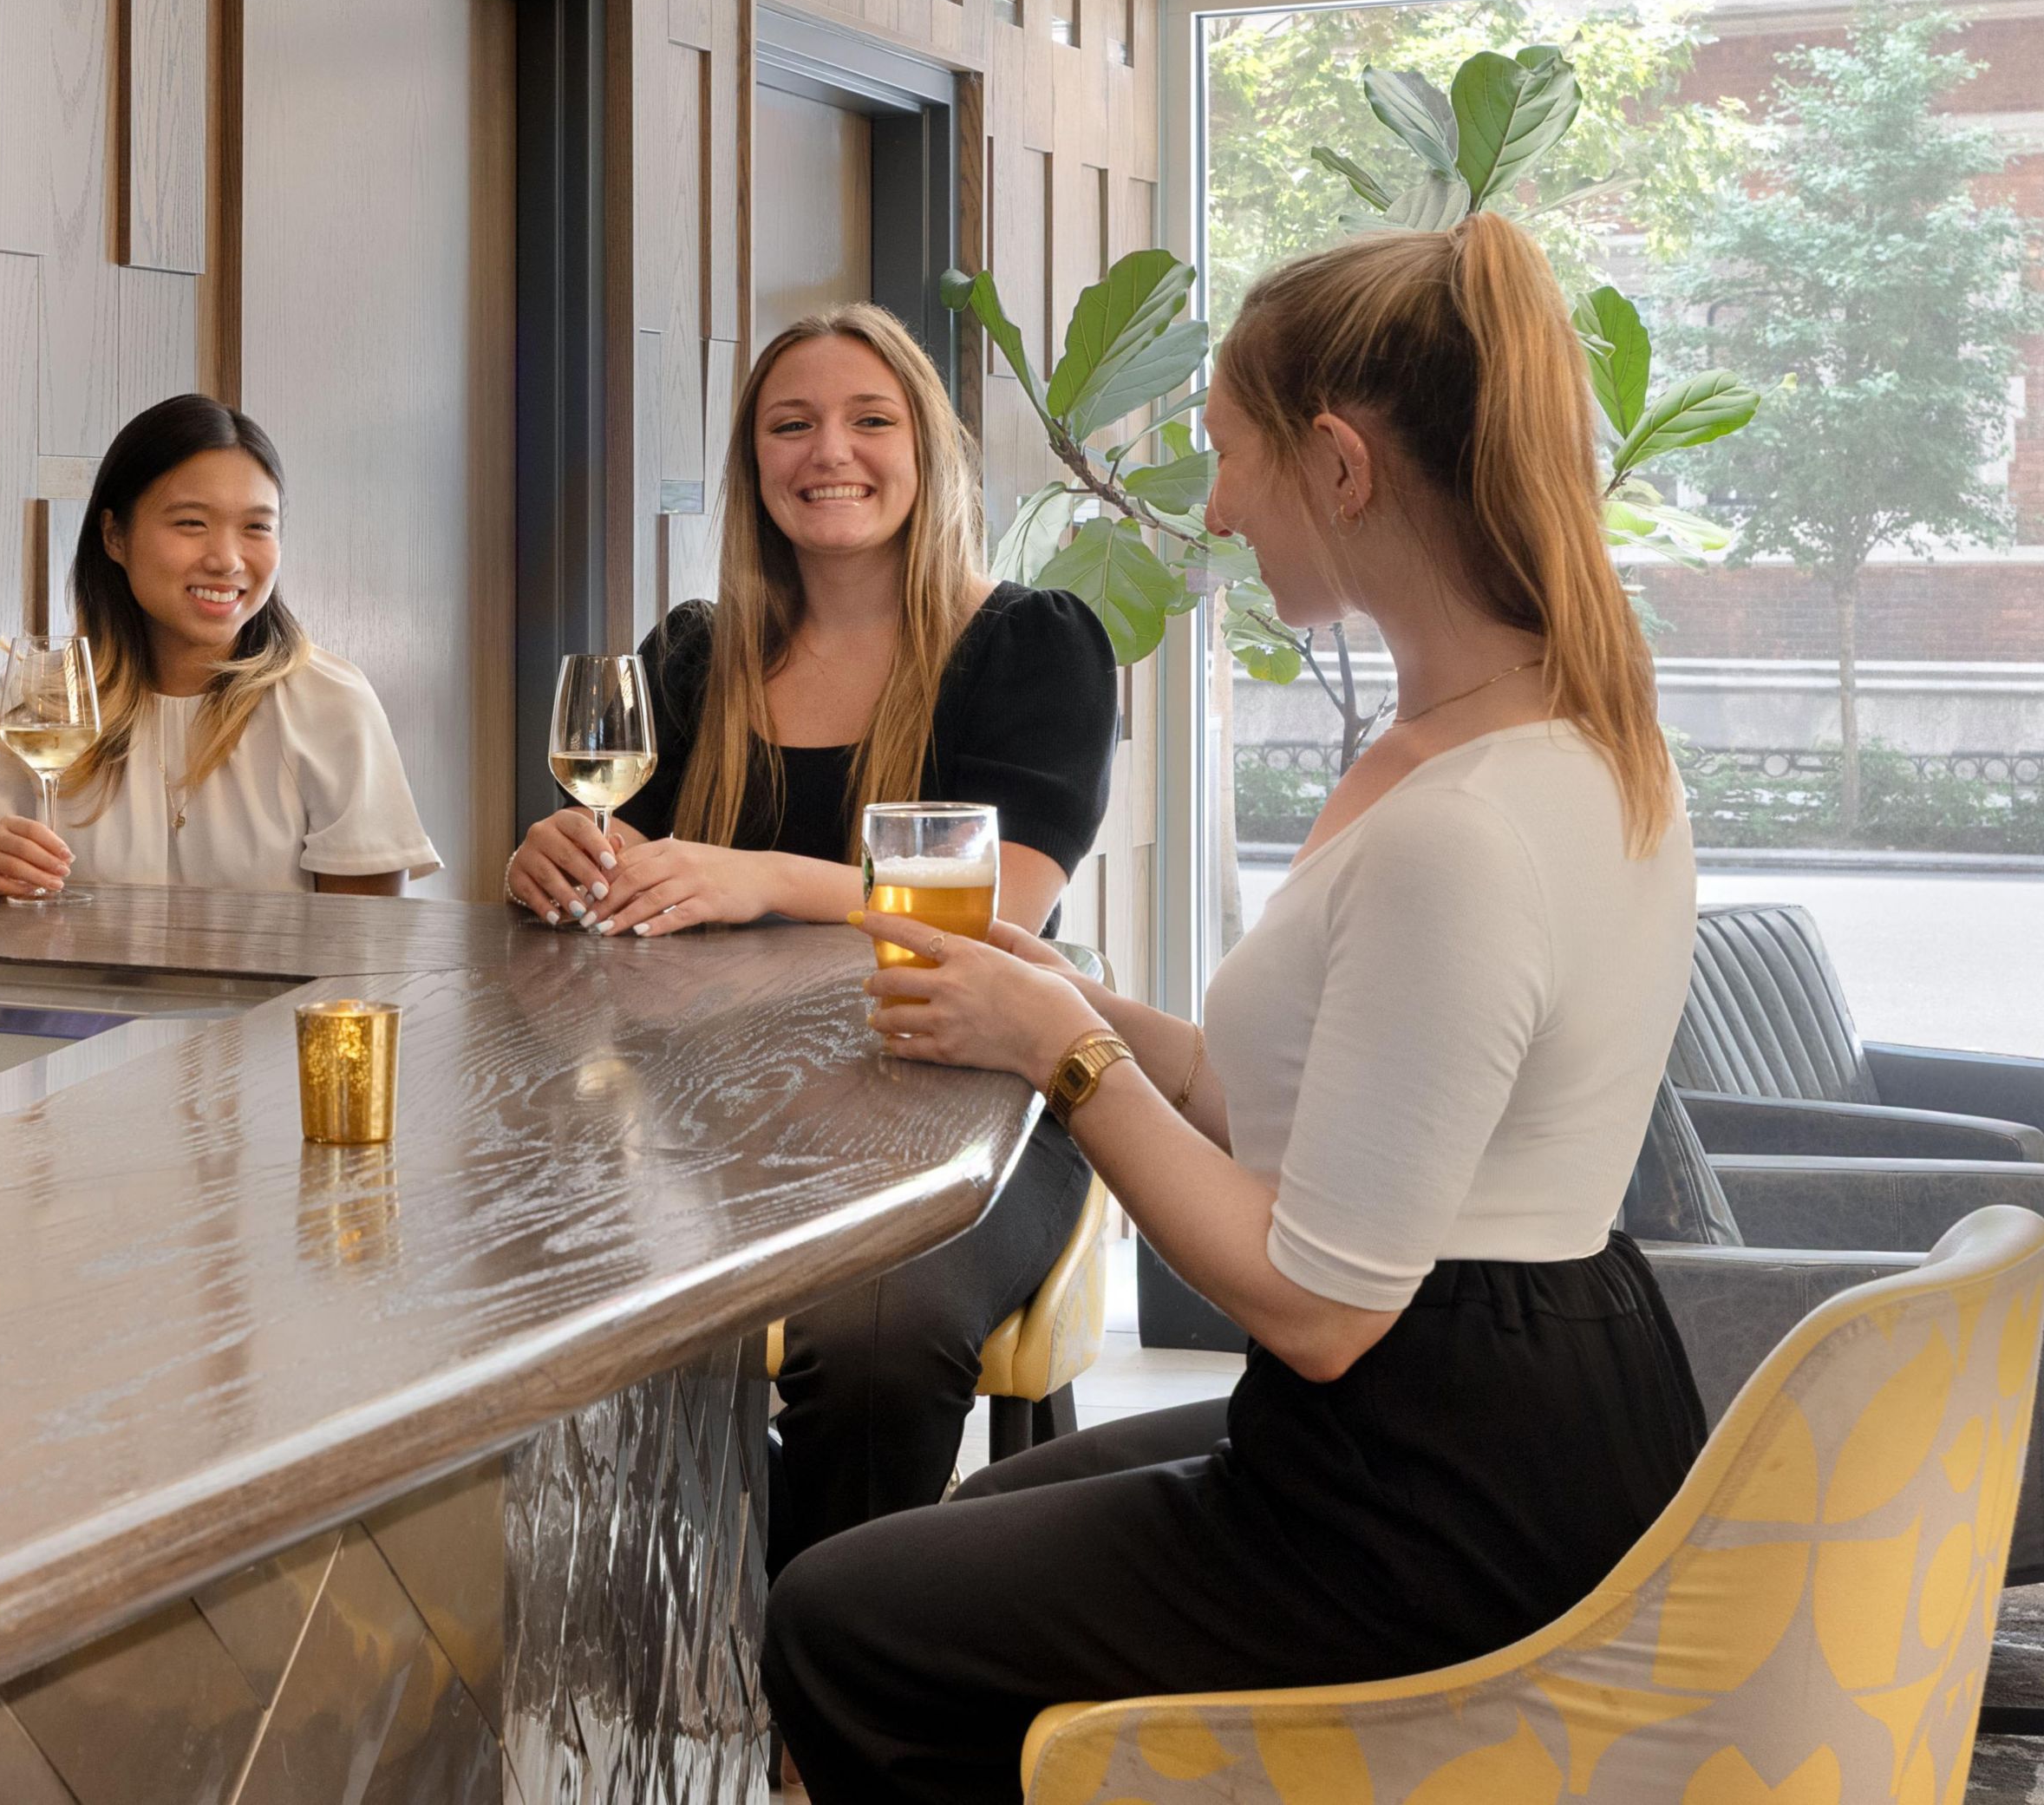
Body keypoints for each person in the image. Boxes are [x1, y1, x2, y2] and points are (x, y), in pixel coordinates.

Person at [761, 214, 1706, 1805]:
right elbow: (1288, 1088)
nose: (1215, 509)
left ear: (1340, 465)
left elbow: (1318, 1309)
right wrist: (1065, 994)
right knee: (946, 1542)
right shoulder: (1533, 735)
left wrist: (1062, 1057)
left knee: (841, 1619)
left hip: (1439, 1484)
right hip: (1506, 1399)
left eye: (1230, 454)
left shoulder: (1463, 827)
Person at [502, 303, 1120, 1580]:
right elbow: (619, 895)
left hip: (967, 1116)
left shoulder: (1033, 647)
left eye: (868, 420)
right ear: (753, 464)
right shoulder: (692, 657)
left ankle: (823, 1665)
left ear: (927, 448)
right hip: (711, 1114)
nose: (828, 451)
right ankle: (689, 1629)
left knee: (877, 1340)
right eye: (791, 425)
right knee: (534, 1277)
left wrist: (762, 879)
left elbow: (1002, 916)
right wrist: (552, 863)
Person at [0, 394, 441, 898]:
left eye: (257, 527)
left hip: (272, 1010)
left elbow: (363, 945)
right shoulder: (61, 695)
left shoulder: (327, 702)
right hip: (83, 1005)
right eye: (190, 523)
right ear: (115, 536)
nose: (227, 559)